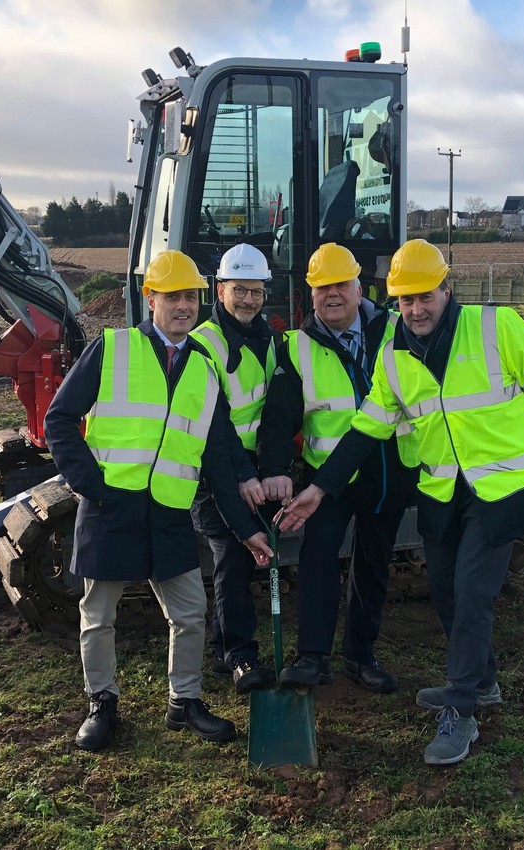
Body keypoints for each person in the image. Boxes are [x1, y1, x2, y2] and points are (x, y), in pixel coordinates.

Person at [280, 238, 524, 765]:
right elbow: (366, 429)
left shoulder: (496, 326)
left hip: (502, 491)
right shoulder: (396, 354)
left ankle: (460, 709)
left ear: (445, 289)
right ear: (393, 301)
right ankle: (483, 683)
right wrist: (317, 489)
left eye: (425, 296)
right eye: (406, 300)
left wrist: (509, 444)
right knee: (445, 591)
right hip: (440, 489)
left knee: (473, 592)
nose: (416, 309)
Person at [44, 248, 273, 753]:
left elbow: (218, 458)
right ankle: (101, 702)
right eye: (172, 297)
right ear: (150, 299)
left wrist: (246, 529)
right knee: (99, 614)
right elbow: (58, 420)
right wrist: (91, 485)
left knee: (190, 613)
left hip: (170, 511)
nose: (184, 306)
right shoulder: (112, 348)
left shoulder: (205, 368)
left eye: (190, 297)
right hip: (110, 508)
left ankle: (183, 702)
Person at [258, 242, 417, 693]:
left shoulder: (397, 330)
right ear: (310, 293)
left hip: (390, 475)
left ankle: (361, 656)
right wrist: (276, 468)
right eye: (321, 287)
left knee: (373, 566)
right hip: (328, 481)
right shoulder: (297, 346)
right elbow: (277, 417)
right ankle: (313, 656)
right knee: (317, 559)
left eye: (340, 285)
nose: (332, 295)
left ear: (359, 285)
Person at [189, 243, 277, 694]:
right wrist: (244, 475)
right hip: (215, 470)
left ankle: (225, 643)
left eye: (256, 291)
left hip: (252, 466)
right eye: (239, 290)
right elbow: (216, 429)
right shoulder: (205, 345)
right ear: (219, 290)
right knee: (231, 554)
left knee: (242, 560)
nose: (248, 299)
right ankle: (238, 653)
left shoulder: (267, 337)